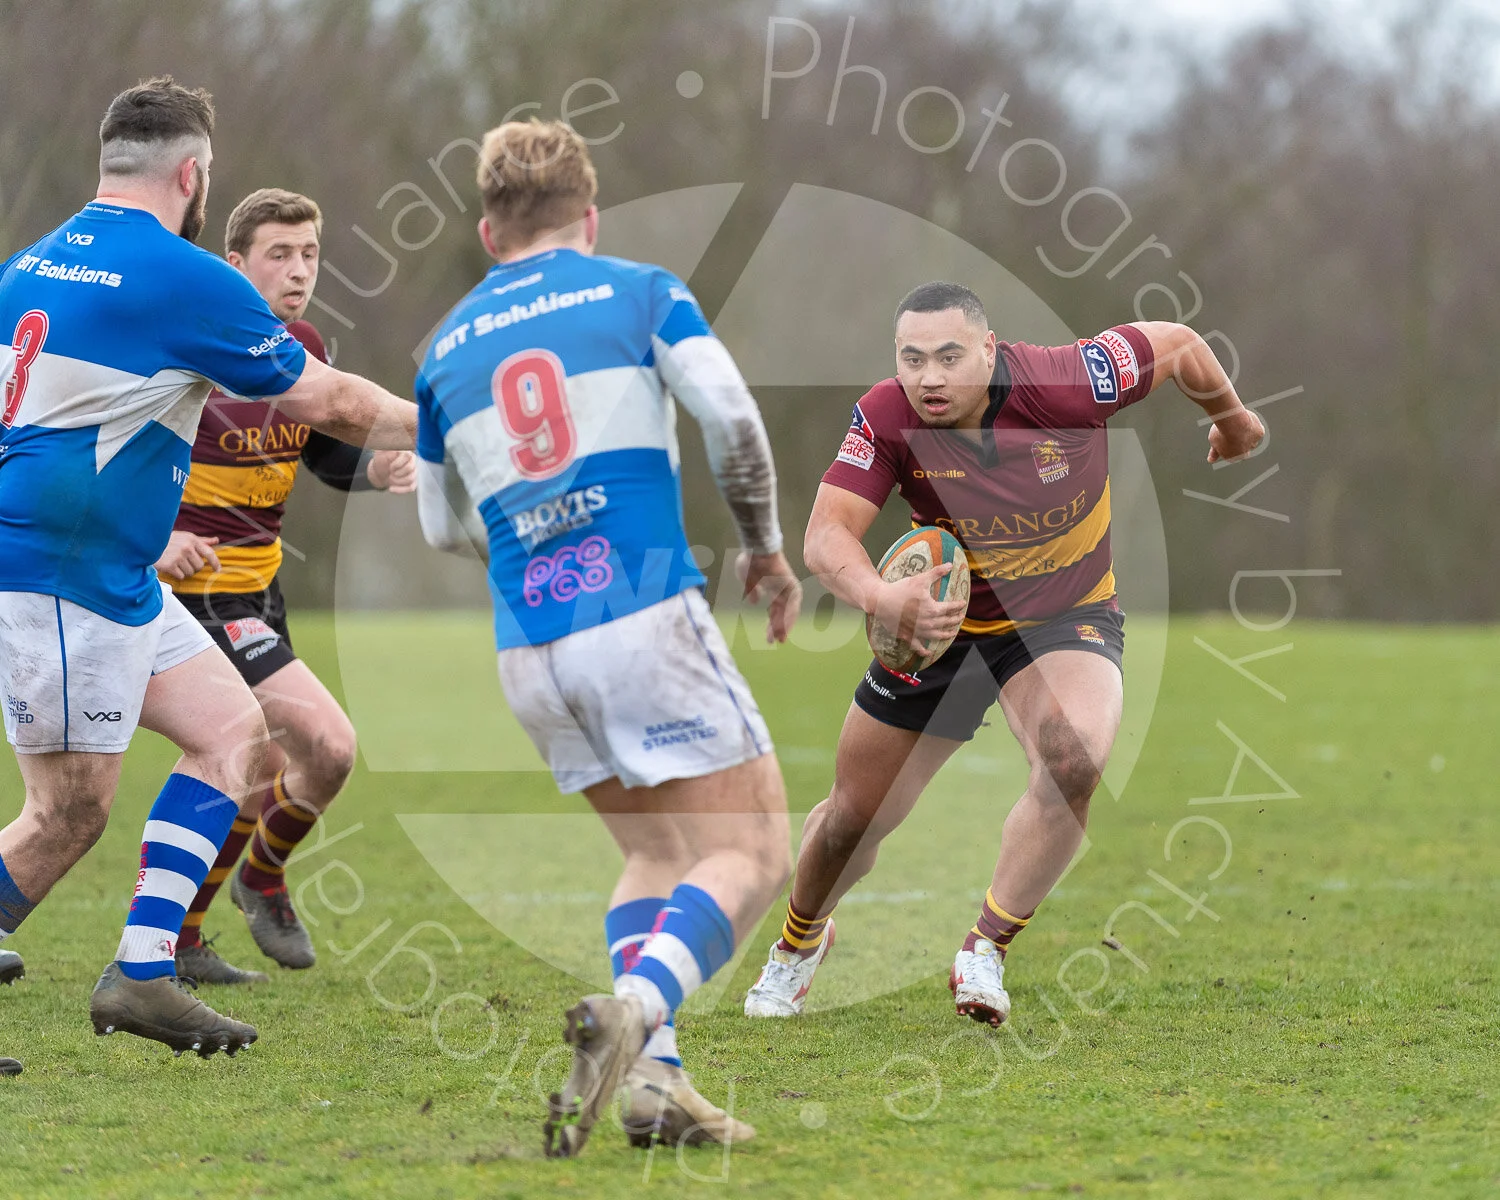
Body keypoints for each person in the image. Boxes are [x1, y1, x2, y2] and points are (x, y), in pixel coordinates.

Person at [0, 77, 416, 1074]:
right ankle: (143, 964)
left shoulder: (31, 264)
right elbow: (326, 398)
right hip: (66, 577)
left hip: (108, 577)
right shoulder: (182, 277)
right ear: (193, 175)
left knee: (236, 734)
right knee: (67, 815)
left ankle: (144, 970)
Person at [415, 119, 800, 1157]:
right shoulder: (639, 290)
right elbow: (731, 418)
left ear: (490, 234)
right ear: (589, 217)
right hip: (640, 611)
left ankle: (657, 1086)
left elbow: (444, 527)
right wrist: (762, 547)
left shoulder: (444, 348)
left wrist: (533, 540)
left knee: (655, 851)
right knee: (755, 848)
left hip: (529, 643)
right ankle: (635, 1013)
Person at [743, 281, 1264, 1026]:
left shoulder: (1067, 381)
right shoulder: (886, 415)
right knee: (850, 821)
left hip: (1062, 617)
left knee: (1075, 759)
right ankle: (797, 946)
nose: (929, 377)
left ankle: (985, 947)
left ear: (990, 350)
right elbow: (828, 533)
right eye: (912, 359)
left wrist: (1232, 418)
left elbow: (1179, 344)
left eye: (950, 356)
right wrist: (880, 599)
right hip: (938, 627)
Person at [155, 188, 416, 985]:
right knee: (318, 747)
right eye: (279, 253)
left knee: (270, 762)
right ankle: (245, 890)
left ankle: (201, 923)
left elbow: (323, 454)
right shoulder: (185, 345)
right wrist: (160, 537)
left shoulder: (301, 344)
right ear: (234, 263)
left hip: (258, 595)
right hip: (191, 597)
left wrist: (374, 469)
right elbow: (117, 455)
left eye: (308, 253)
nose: (298, 270)